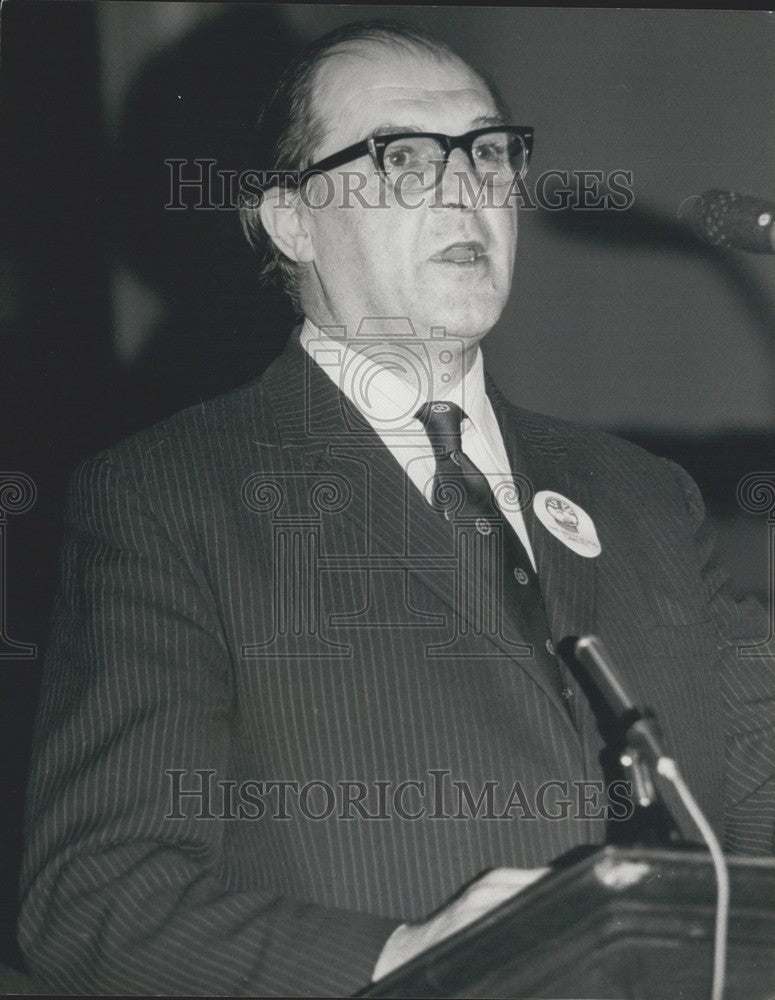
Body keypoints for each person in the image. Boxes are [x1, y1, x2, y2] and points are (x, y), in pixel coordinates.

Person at [19, 19, 775, 997]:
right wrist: (398, 959)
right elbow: (93, 893)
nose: (466, 187)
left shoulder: (641, 493)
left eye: (489, 151)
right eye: (405, 158)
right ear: (290, 219)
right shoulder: (169, 498)